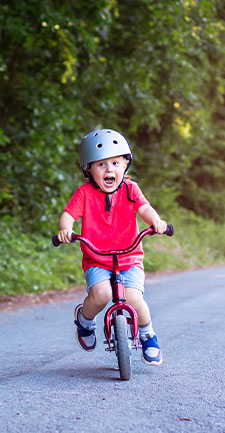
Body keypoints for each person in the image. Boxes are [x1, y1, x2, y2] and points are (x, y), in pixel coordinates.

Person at [56, 128, 167, 365]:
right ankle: (85, 321)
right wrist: (65, 229)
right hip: (97, 259)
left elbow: (144, 208)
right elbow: (68, 215)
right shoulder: (85, 193)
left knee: (134, 298)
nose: (109, 170)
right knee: (101, 294)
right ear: (88, 170)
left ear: (125, 164)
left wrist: (155, 221)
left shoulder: (131, 189)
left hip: (129, 258)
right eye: (101, 165)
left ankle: (148, 336)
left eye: (116, 163)